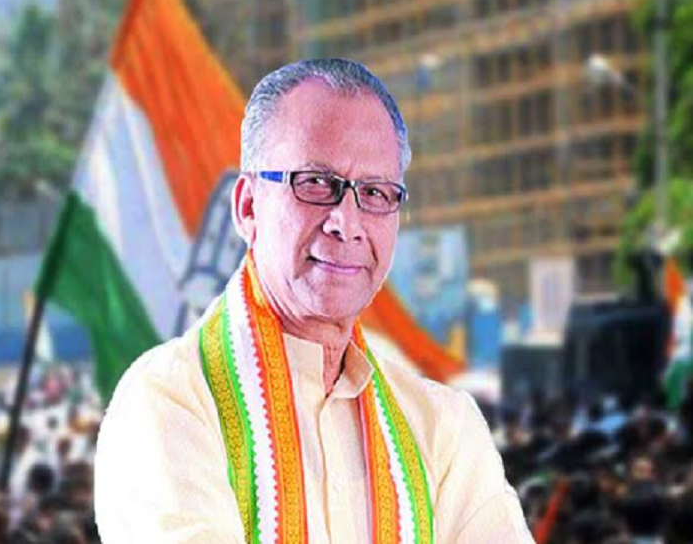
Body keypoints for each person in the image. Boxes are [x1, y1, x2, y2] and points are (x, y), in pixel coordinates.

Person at [94, 58, 533, 543]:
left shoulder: (442, 428)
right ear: (248, 206)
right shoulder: (169, 400)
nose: (346, 222)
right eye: (316, 183)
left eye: (375, 192)